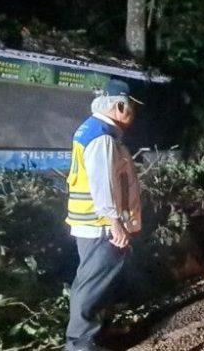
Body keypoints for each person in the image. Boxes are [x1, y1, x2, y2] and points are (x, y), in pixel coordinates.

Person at [65, 79, 142, 351]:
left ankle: (96, 338)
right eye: (131, 108)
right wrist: (115, 224)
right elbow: (103, 184)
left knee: (97, 283)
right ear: (119, 105)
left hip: (94, 224)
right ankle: (81, 345)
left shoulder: (94, 131)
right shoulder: (102, 137)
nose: (133, 114)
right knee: (91, 287)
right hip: (100, 227)